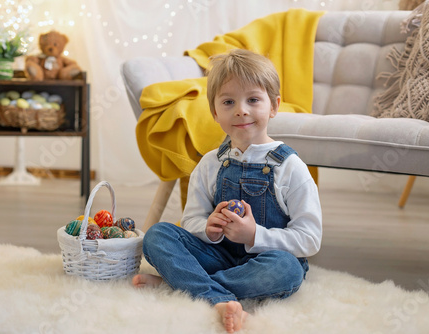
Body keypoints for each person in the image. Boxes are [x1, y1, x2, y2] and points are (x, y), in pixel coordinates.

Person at [132, 49, 322, 333]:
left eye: (253, 100)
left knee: (288, 270)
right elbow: (191, 220)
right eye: (229, 101)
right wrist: (207, 228)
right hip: (216, 254)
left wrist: (253, 235)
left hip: (265, 261)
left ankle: (185, 285)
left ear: (274, 106)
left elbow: (309, 239)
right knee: (158, 235)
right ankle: (214, 294)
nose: (241, 110)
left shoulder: (291, 167)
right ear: (215, 112)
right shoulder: (210, 163)